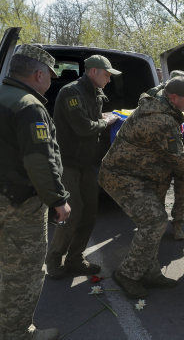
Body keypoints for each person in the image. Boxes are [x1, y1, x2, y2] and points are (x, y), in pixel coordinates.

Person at [99, 76, 184, 299]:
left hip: (145, 175)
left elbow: (161, 86)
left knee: (155, 222)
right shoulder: (160, 120)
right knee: (155, 222)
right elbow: (179, 158)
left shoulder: (160, 99)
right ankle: (128, 274)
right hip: (123, 176)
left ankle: (149, 272)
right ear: (173, 97)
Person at [0, 45, 71, 340]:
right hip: (17, 203)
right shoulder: (29, 106)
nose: (51, 82)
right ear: (38, 73)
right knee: (22, 271)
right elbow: (40, 163)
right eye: (50, 76)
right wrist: (58, 200)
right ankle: (17, 333)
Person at [45, 55, 121, 279]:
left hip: (87, 164)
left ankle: (75, 259)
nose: (109, 79)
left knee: (89, 214)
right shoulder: (72, 92)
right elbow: (82, 127)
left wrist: (103, 116)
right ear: (93, 71)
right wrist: (105, 122)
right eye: (107, 74)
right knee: (73, 213)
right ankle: (54, 258)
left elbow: (91, 119)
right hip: (68, 164)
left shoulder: (95, 93)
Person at [146, 70, 184, 240]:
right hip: (163, 153)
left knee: (182, 190)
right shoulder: (155, 97)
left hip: (181, 147)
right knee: (159, 191)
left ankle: (178, 224)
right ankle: (157, 224)